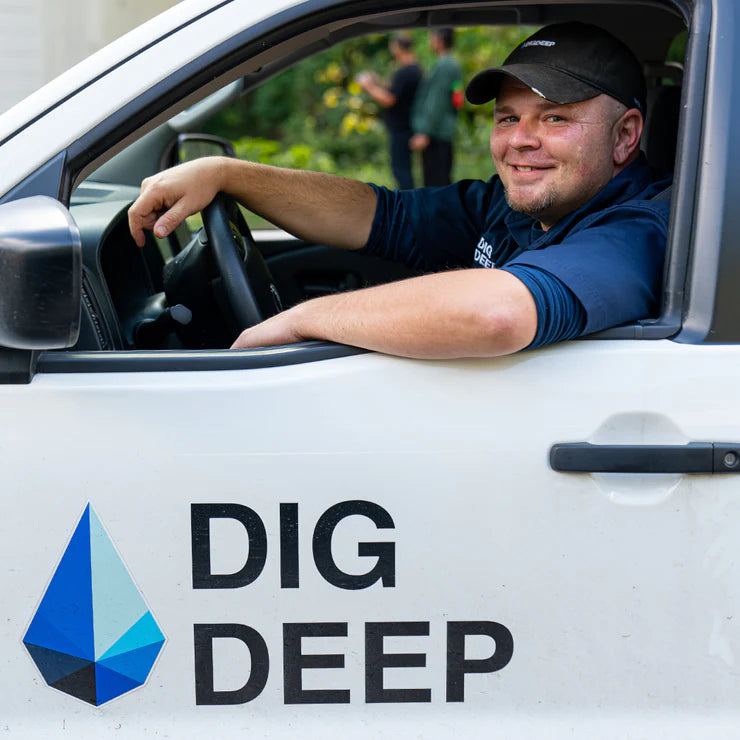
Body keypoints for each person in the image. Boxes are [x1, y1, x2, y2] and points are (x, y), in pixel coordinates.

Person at [128, 22, 672, 361]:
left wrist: (297, 321)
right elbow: (378, 214)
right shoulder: (518, 204)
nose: (520, 141)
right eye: (508, 118)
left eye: (554, 119)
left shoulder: (639, 230)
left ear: (625, 135)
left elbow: (498, 313)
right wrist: (229, 174)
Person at [356, 34, 422, 189]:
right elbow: (395, 91)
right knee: (402, 170)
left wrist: (368, 86)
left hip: (402, 128)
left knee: (402, 171)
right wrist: (377, 82)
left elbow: (389, 99)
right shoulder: (414, 69)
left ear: (397, 47)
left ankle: (408, 206)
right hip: (405, 126)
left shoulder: (407, 71)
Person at [409, 28, 462, 186]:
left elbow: (437, 101)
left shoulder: (445, 65)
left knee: (435, 183)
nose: (429, 41)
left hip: (436, 134)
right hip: (442, 132)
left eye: (431, 37)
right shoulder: (450, 63)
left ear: (438, 40)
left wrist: (425, 132)